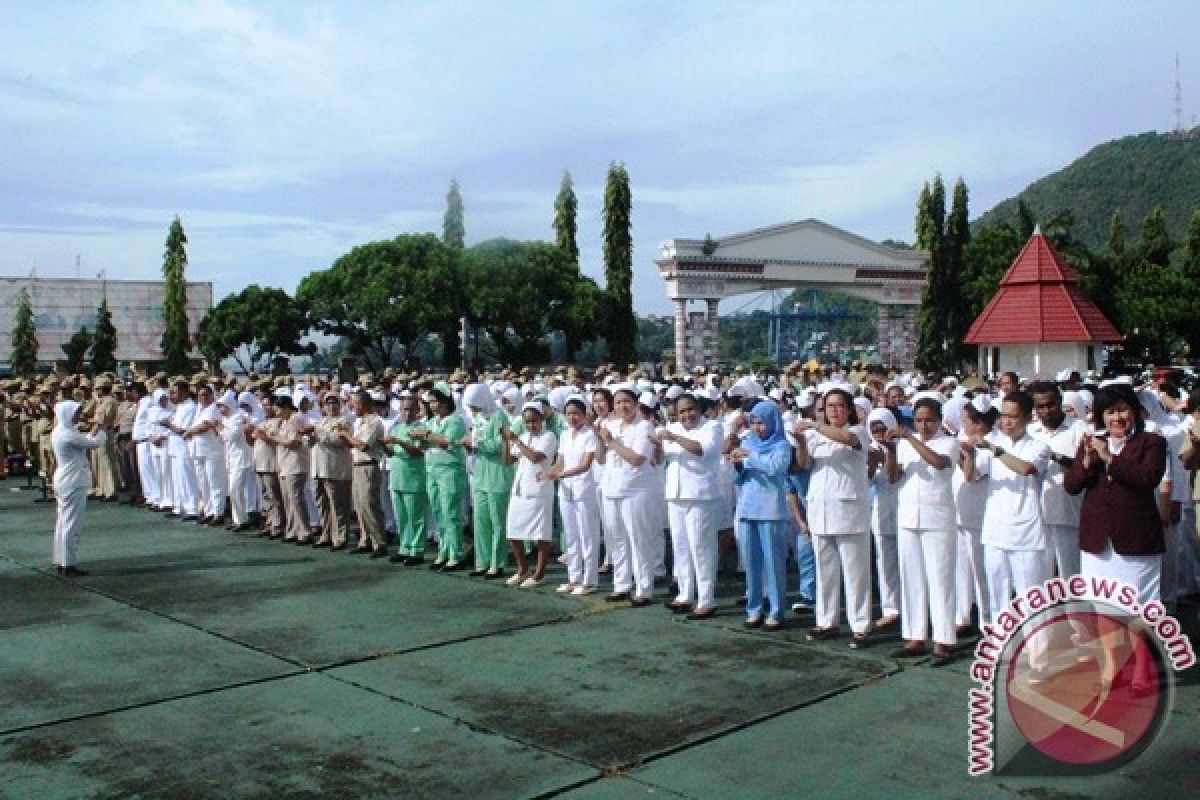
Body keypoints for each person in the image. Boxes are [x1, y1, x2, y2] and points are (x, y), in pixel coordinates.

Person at [1065, 383, 1167, 691]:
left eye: (1122, 410)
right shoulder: (1090, 443)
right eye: (1110, 412)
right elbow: (1071, 486)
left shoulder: (1151, 443)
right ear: (1100, 416)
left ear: (1134, 412)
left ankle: (1143, 666)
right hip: (1099, 541)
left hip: (1136, 539)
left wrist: (1110, 458)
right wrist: (1085, 464)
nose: (1117, 418)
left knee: (1139, 606)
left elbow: (1148, 478)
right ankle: (1112, 664)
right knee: (1103, 605)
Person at [967, 390, 1053, 678]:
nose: (1006, 422)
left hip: (1026, 531)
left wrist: (995, 450)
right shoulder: (991, 444)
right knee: (998, 594)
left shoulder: (1037, 446)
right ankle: (1002, 649)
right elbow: (971, 475)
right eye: (1003, 415)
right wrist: (966, 455)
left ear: (1027, 417)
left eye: (1013, 416)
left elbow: (1027, 468)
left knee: (1031, 596)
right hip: (995, 530)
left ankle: (1039, 659)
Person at [794, 388, 873, 648]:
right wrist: (802, 441)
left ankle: (860, 625)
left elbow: (847, 439)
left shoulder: (859, 431)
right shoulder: (816, 436)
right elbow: (804, 464)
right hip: (821, 510)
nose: (834, 411)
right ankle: (826, 621)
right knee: (825, 571)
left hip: (849, 511)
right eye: (829, 407)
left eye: (839, 406)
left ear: (849, 410)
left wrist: (815, 425)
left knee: (855, 573)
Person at [890, 397, 960, 665]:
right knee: (912, 579)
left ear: (939, 420)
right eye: (918, 420)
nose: (924, 425)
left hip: (938, 519)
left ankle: (943, 639)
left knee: (940, 580)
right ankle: (915, 636)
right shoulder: (905, 446)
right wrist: (889, 449)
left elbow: (939, 463)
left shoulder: (948, 442)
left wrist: (908, 438)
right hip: (908, 517)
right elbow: (894, 477)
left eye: (929, 420)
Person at [728, 400, 793, 630]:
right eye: (754, 423)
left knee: (773, 563)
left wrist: (749, 456)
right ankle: (754, 607)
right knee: (751, 562)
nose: (758, 428)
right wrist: (736, 464)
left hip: (771, 510)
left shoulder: (782, 446)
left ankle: (776, 610)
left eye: (762, 423)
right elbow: (738, 477)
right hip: (748, 508)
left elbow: (775, 468)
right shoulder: (748, 442)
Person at [595, 385, 658, 606]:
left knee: (639, 540)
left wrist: (611, 442)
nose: (623, 405)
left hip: (636, 490)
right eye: (619, 402)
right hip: (611, 489)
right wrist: (599, 439)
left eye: (627, 401)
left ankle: (644, 588)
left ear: (636, 404)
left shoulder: (644, 427)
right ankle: (621, 585)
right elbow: (601, 459)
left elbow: (638, 458)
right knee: (616, 539)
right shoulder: (609, 424)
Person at [543, 396, 601, 594]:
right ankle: (574, 577)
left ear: (584, 415)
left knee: (588, 536)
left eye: (576, 413)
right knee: (571, 536)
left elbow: (586, 465)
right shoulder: (565, 435)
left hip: (585, 490)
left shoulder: (590, 435)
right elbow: (560, 462)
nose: (573, 417)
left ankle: (590, 579)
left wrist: (559, 474)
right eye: (569, 414)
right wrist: (548, 472)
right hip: (566, 491)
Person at [1029, 380, 1086, 579]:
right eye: (1040, 407)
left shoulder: (1078, 428)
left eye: (1051, 404)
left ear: (1060, 401)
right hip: (1036, 513)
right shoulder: (1030, 432)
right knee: (1040, 577)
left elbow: (1085, 466)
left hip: (1068, 512)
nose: (1046, 411)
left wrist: (1054, 456)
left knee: (1071, 574)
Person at [411, 384, 467, 569]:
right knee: (437, 512)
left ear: (444, 402)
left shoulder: (455, 420)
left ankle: (455, 553)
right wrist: (420, 439)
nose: (431, 405)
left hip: (449, 470)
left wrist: (426, 435)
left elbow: (447, 442)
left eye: (434, 401)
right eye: (430, 402)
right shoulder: (432, 421)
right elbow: (425, 445)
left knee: (450, 512)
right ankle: (444, 550)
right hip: (432, 469)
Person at [460, 383, 514, 577]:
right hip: (480, 473)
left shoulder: (499, 416)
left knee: (497, 521)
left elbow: (501, 446)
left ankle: (497, 562)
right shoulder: (478, 418)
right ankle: (481, 561)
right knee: (480, 519)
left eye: (474, 405)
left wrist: (475, 443)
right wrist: (470, 445)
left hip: (497, 474)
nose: (473, 409)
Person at [502, 403, 559, 587]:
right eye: (527, 422)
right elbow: (508, 461)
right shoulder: (524, 436)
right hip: (520, 489)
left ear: (542, 420)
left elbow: (536, 457)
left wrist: (516, 440)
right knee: (512, 531)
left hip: (539, 490)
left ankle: (539, 573)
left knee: (541, 534)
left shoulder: (549, 436)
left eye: (534, 421)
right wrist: (505, 441)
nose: (531, 425)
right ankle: (523, 569)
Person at [51, 399, 107, 575]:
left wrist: (95, 429)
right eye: (75, 413)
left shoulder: (61, 431)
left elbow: (84, 440)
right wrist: (102, 429)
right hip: (72, 480)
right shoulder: (67, 434)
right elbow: (93, 443)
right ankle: (69, 563)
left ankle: (62, 560)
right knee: (71, 523)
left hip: (65, 478)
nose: (78, 416)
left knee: (63, 522)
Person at [953, 400, 994, 636]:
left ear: (978, 423)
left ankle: (987, 619)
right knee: (961, 570)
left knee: (981, 570)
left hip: (979, 515)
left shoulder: (990, 444)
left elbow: (971, 475)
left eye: (966, 420)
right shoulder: (963, 439)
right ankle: (962, 616)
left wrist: (966, 455)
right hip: (960, 513)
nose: (963, 424)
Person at [342, 389, 389, 558]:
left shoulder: (374, 422)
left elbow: (364, 445)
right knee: (360, 505)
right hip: (357, 464)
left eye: (354, 404)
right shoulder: (359, 422)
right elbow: (353, 444)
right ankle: (365, 539)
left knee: (370, 504)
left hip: (368, 464)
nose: (352, 407)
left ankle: (379, 542)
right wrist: (344, 436)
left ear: (363, 404)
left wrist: (346, 435)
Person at [866, 407, 901, 632]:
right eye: (874, 426)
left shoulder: (905, 446)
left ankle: (915, 607)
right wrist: (872, 461)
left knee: (908, 563)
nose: (878, 430)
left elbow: (893, 475)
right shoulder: (868, 449)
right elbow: (865, 479)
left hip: (904, 511)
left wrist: (890, 452)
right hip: (879, 513)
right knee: (885, 564)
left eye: (882, 425)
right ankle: (891, 609)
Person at [385, 393, 430, 566]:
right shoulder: (396, 427)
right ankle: (404, 547)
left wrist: (399, 442)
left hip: (414, 478)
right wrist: (383, 444)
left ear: (418, 410)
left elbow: (417, 451)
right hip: (397, 476)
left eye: (411, 409)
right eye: (405, 409)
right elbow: (390, 451)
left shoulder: (421, 428)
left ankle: (417, 550)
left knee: (415, 516)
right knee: (401, 516)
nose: (407, 413)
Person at [311, 393, 354, 549]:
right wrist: (310, 435)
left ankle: (341, 537)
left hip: (336, 469)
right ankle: (326, 534)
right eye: (327, 403)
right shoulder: (320, 421)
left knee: (339, 505)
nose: (331, 406)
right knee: (322, 505)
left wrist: (317, 432)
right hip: (319, 468)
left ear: (340, 404)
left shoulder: (345, 421)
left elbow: (339, 440)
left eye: (334, 403)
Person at [217, 390, 256, 533]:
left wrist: (220, 429)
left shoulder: (238, 417)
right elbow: (223, 438)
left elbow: (231, 436)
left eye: (222, 406)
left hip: (241, 458)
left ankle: (243, 518)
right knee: (234, 490)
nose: (220, 409)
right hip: (231, 457)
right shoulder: (227, 419)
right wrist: (222, 430)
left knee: (236, 488)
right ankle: (239, 519)